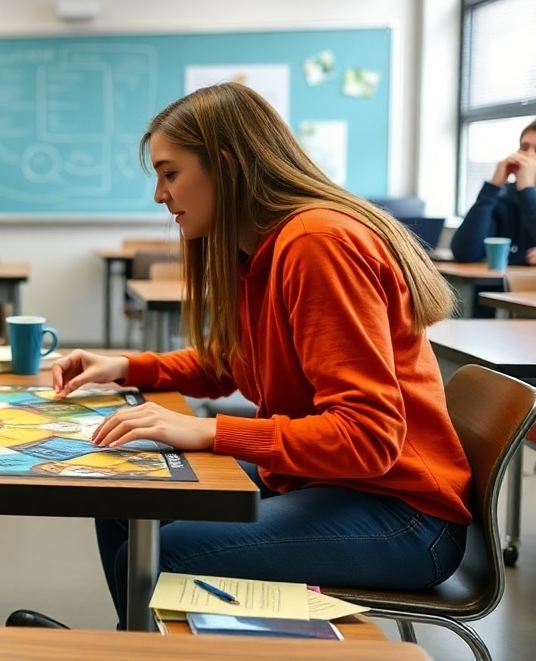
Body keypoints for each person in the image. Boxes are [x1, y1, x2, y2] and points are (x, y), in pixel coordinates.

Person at [51, 82, 472, 629]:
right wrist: (129, 367)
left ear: (226, 166)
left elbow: (367, 438)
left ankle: (139, 646)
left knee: (161, 555)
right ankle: (138, 643)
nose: (159, 195)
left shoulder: (317, 243)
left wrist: (211, 431)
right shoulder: (264, 249)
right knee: (125, 496)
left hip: (403, 514)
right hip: (324, 480)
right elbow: (235, 363)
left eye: (170, 173)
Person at [450, 118, 536, 266]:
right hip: (500, 280)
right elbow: (465, 252)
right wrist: (493, 186)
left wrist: (527, 189)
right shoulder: (505, 197)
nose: (528, 156)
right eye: (524, 148)